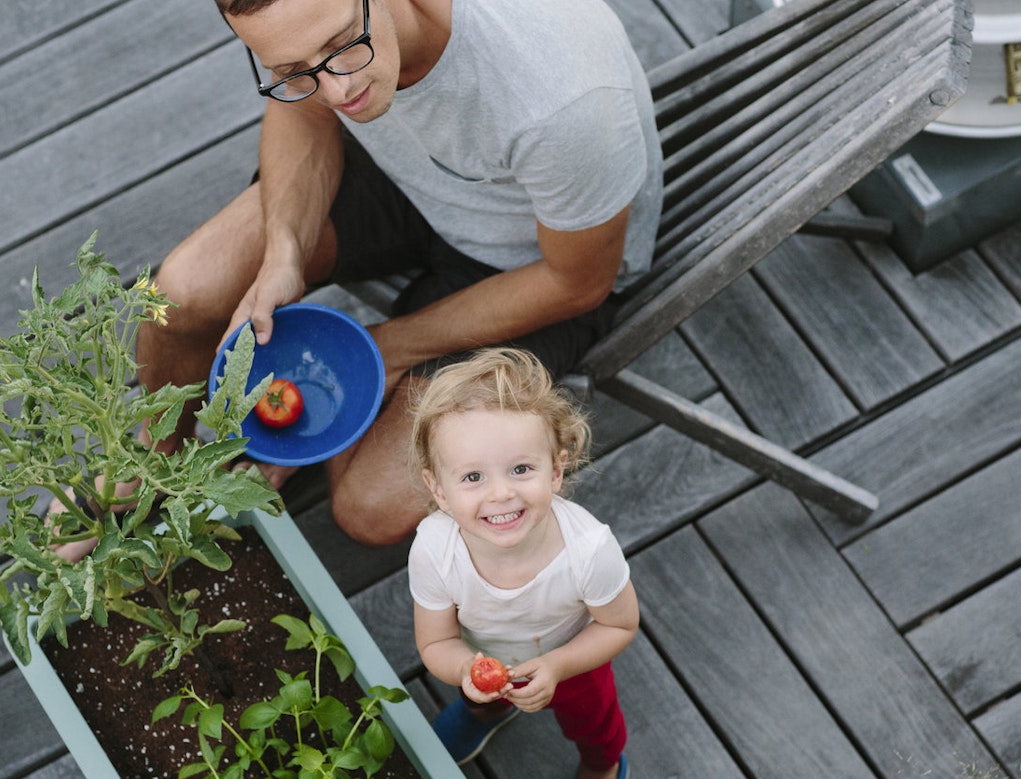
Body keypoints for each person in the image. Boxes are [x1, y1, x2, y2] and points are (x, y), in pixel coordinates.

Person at [140, 0, 662, 548]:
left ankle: (344, 422)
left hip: (536, 262)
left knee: (369, 510)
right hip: (407, 175)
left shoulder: (561, 102)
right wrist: (284, 254)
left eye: (343, 45)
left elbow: (577, 283)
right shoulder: (328, 55)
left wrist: (383, 351)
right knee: (178, 296)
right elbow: (304, 111)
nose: (336, 91)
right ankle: (154, 461)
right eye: (294, 70)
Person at [408, 347, 640, 779]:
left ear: (556, 471)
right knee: (476, 691)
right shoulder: (434, 548)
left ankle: (602, 768)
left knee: (594, 722)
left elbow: (619, 625)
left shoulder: (588, 550)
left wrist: (557, 666)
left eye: (520, 469)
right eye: (472, 477)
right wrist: (467, 671)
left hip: (572, 657)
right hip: (484, 654)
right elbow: (438, 640)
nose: (499, 495)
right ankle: (486, 711)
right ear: (439, 490)